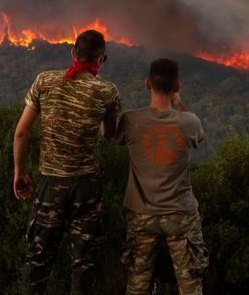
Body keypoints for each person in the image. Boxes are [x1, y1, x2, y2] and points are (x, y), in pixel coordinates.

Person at [12, 29, 121, 295]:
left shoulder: (44, 81)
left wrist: (19, 172)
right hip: (86, 188)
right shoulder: (107, 92)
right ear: (101, 59)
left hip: (51, 185)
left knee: (38, 262)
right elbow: (108, 135)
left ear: (72, 52)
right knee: (84, 266)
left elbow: (21, 132)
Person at [116, 58, 209, 295]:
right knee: (190, 284)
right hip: (181, 215)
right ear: (177, 86)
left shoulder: (130, 120)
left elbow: (109, 134)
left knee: (137, 283)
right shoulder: (190, 122)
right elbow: (200, 137)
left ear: (147, 83)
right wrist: (179, 104)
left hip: (142, 216)